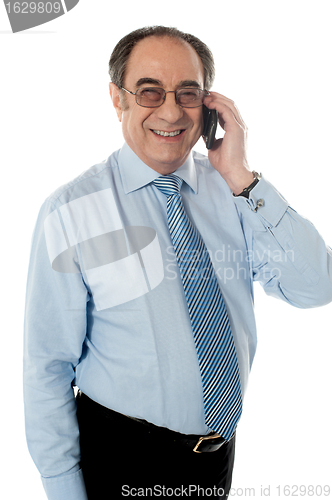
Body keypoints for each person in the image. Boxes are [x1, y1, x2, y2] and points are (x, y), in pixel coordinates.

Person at [24, 26, 332, 500]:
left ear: (208, 105)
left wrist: (243, 178)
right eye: (149, 91)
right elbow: (47, 365)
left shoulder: (233, 194)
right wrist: (65, 491)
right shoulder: (71, 211)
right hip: (121, 456)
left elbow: (316, 286)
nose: (170, 111)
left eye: (187, 93)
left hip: (217, 458)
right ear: (117, 98)